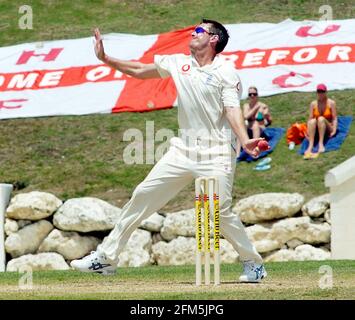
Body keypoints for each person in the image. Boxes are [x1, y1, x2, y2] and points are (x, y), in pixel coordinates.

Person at [71, 19, 267, 283]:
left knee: (218, 213)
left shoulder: (226, 72)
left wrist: (245, 141)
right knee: (142, 195)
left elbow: (232, 110)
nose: (192, 32)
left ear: (213, 40)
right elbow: (140, 70)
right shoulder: (178, 63)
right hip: (183, 150)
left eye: (199, 30)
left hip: (218, 152)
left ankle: (253, 264)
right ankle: (106, 258)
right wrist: (106, 58)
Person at [304, 83, 337, 158]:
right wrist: (307, 130)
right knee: (312, 121)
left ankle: (321, 144)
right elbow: (310, 118)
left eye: (322, 91)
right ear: (317, 93)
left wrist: (334, 130)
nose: (320, 93)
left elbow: (335, 118)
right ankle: (310, 145)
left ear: (326, 92)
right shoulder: (313, 104)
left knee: (321, 119)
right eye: (319, 91)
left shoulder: (331, 103)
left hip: (328, 126)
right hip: (317, 127)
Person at [236, 86, 272, 157]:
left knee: (255, 124)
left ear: (257, 95)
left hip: (259, 126)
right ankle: (237, 152)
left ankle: (255, 151)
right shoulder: (246, 106)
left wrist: (266, 115)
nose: (252, 96)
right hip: (249, 126)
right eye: (250, 94)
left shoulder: (263, 105)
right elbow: (246, 116)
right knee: (241, 127)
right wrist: (256, 108)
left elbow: (269, 120)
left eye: (254, 94)